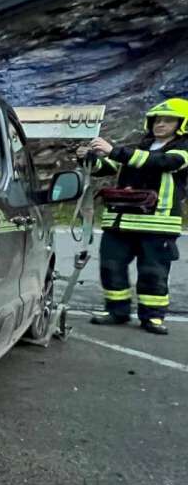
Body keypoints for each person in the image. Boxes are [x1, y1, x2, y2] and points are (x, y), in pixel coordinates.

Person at [77, 97, 188, 335]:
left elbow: (163, 162)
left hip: (157, 224)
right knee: (110, 266)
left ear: (182, 124)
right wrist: (90, 158)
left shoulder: (183, 150)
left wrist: (115, 151)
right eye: (157, 120)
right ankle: (117, 311)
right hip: (120, 221)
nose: (160, 124)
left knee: (153, 272)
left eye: (167, 120)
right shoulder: (140, 146)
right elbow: (109, 168)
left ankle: (153, 317)